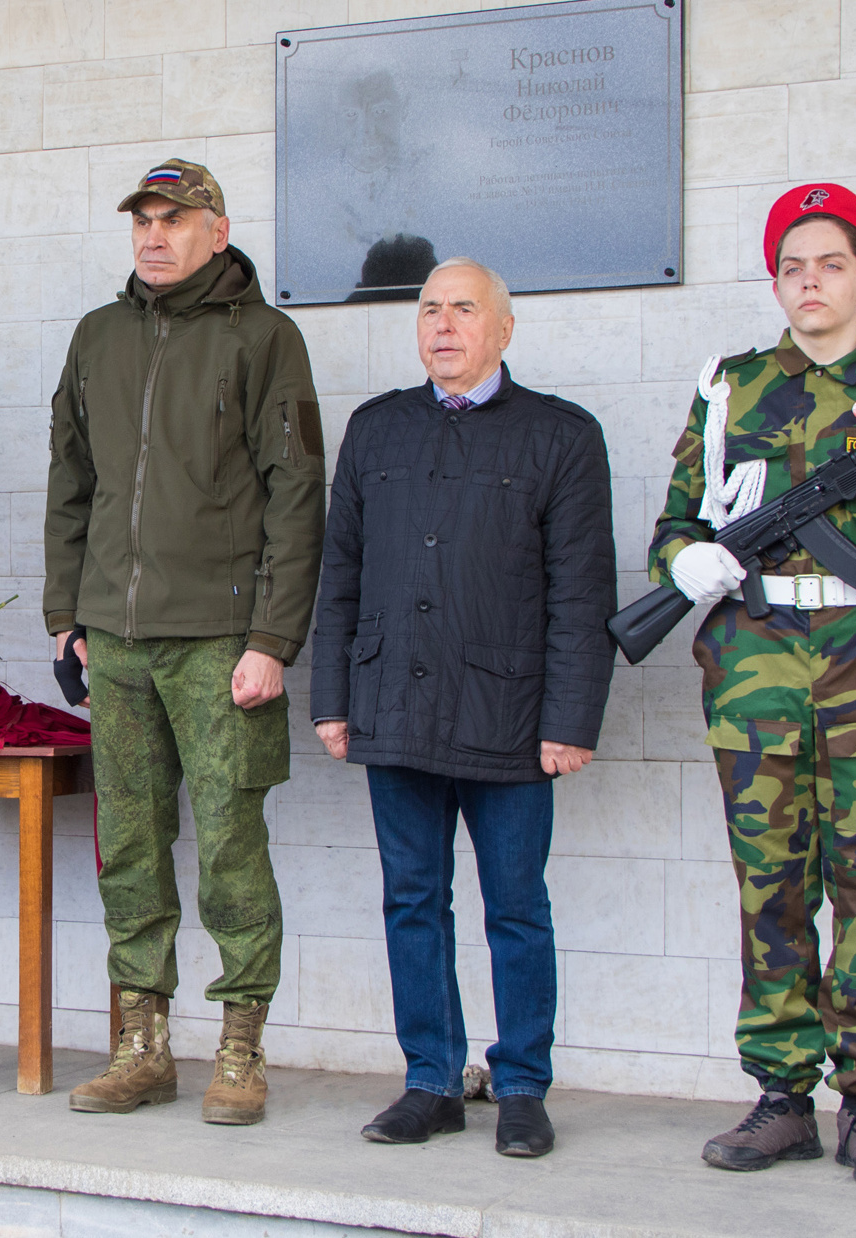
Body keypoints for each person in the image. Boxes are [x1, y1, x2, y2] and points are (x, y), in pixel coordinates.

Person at [653, 185, 856, 1187]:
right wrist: (687, 566)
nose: (810, 281)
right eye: (793, 266)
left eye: (830, 264)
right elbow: (677, 518)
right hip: (756, 648)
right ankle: (780, 1092)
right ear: (776, 281)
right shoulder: (729, 387)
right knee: (771, 874)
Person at [310, 258, 614, 1157]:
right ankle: (429, 1081)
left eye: (464, 310)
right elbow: (342, 576)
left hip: (509, 717)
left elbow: (581, 591)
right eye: (430, 309)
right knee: (412, 899)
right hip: (393, 704)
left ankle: (521, 1083)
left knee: (516, 906)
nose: (443, 324)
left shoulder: (561, 436)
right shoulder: (376, 428)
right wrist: (334, 698)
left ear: (504, 330)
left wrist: (571, 720)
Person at [43, 158, 325, 1126]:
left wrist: (273, 636)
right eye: (142, 221)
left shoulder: (265, 338)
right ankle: (142, 1046)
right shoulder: (97, 334)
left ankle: (240, 1046)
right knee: (128, 843)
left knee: (231, 845)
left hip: (218, 640)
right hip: (114, 641)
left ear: (218, 227)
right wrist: (64, 612)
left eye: (174, 219)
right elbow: (69, 480)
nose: (154, 236)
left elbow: (296, 491)